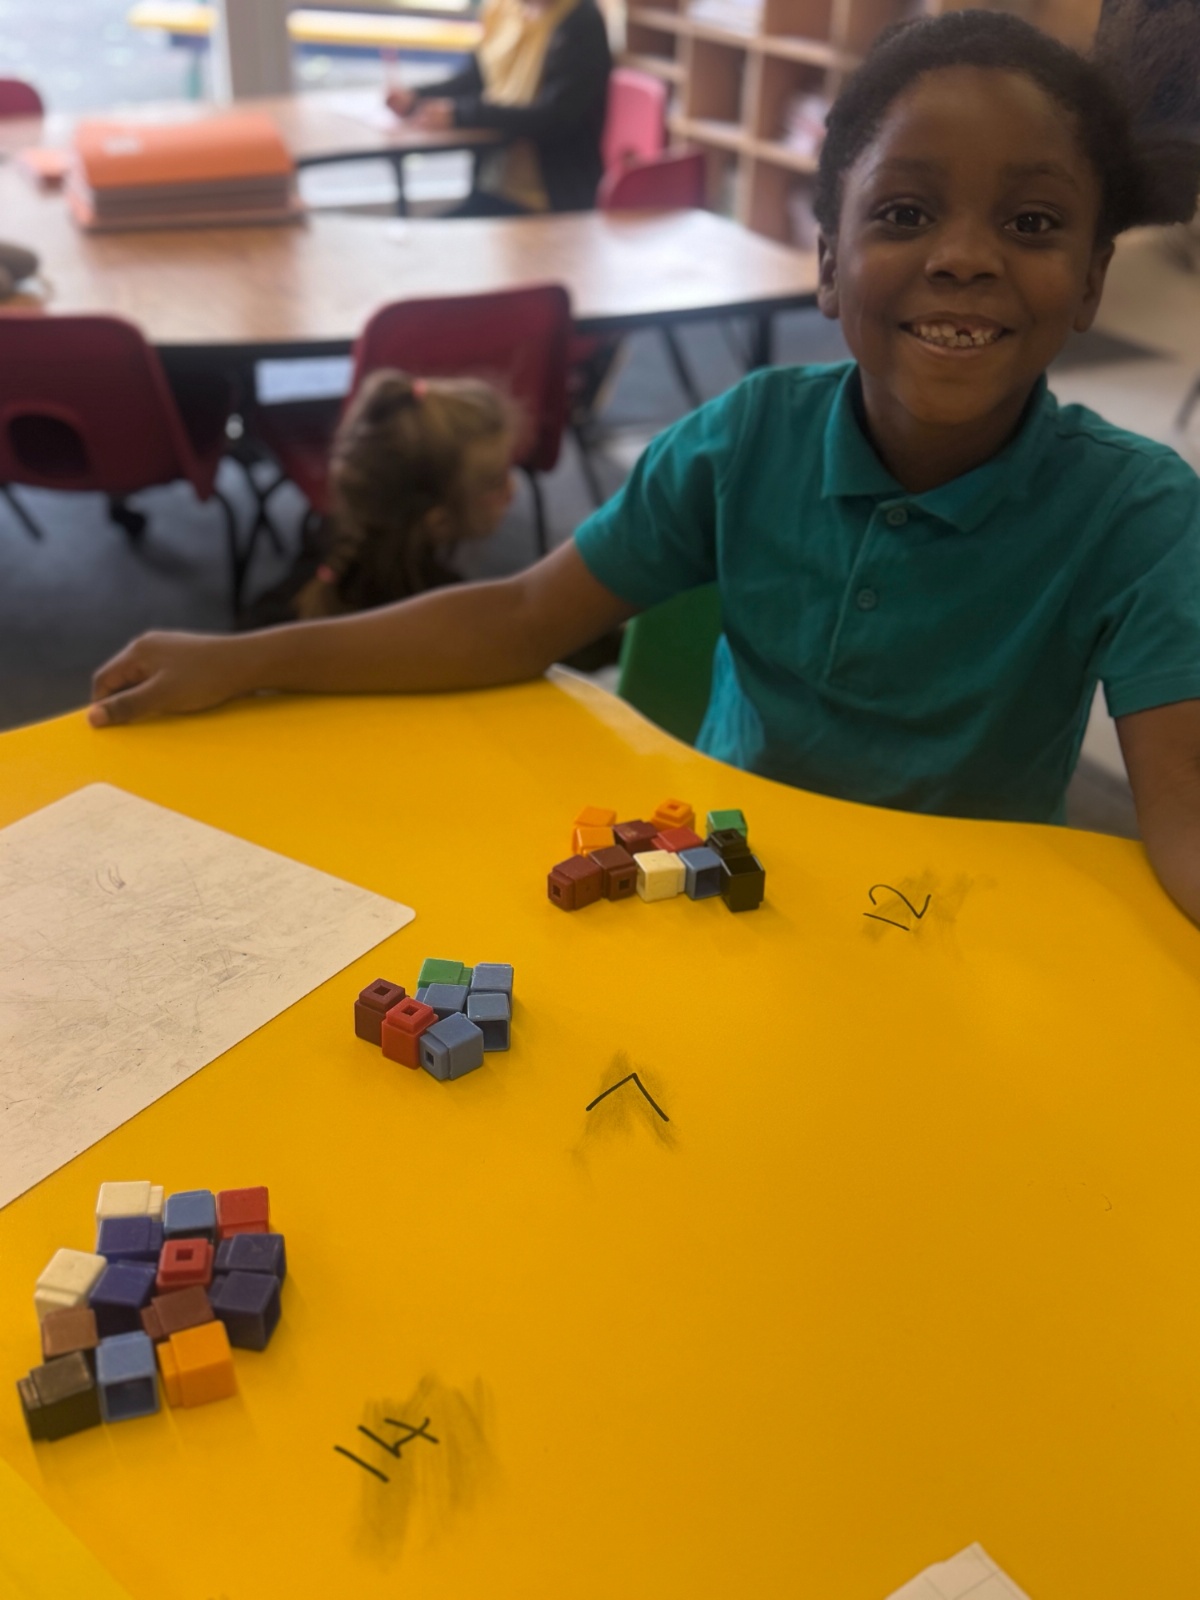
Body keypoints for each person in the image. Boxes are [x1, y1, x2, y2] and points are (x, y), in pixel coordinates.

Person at [89, 12, 1200, 925]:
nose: (963, 257)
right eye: (905, 213)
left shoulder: (1139, 515)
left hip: (957, 926)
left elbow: (1183, 825)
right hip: (727, 893)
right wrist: (249, 658)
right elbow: (520, 616)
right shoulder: (744, 439)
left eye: (1033, 222)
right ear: (829, 263)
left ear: (1092, 281)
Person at [242, 370, 516, 626]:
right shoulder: (455, 618)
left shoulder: (319, 568)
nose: (514, 490)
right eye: (497, 482)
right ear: (439, 522)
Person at [385, 0, 611, 216]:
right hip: (493, 185)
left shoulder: (581, 20)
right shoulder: (502, 9)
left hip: (547, 199)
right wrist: (417, 97)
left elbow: (555, 118)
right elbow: (477, 78)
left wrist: (460, 115)